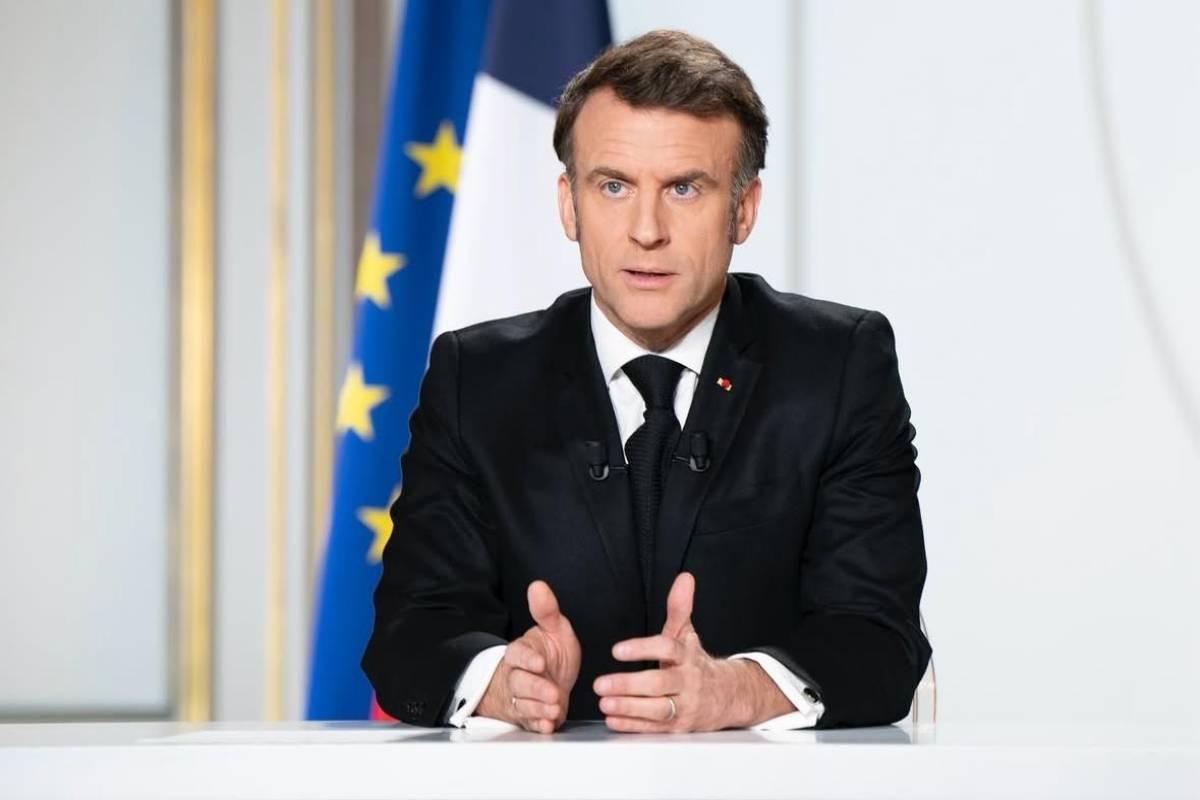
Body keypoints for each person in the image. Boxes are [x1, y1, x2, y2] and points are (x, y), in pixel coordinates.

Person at [363, 29, 931, 733]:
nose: (646, 230)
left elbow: (879, 638)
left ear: (743, 209)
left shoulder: (839, 366)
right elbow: (409, 636)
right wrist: (502, 681)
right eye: (614, 186)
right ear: (569, 204)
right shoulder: (475, 379)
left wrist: (737, 691)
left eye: (684, 189)